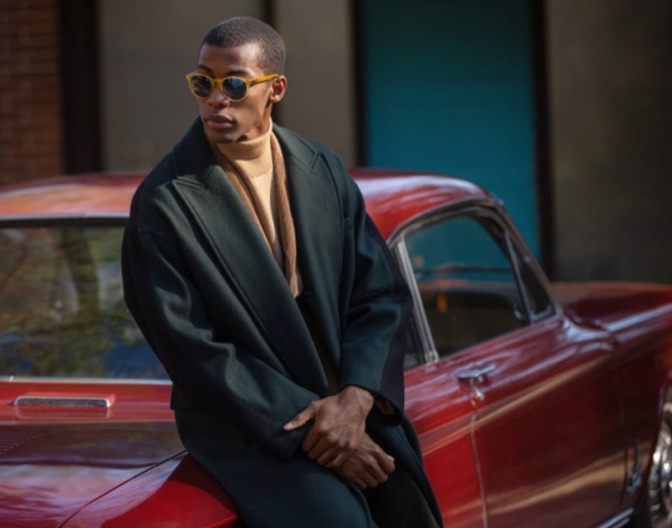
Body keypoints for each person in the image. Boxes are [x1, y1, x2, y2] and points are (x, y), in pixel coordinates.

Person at [121, 16, 442, 528]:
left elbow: (378, 294)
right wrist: (311, 428)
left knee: (408, 506)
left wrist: (357, 399)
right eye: (202, 83)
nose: (215, 100)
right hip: (250, 421)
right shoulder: (164, 202)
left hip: (346, 398)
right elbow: (192, 348)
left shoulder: (323, 169)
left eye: (233, 84)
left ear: (275, 89)